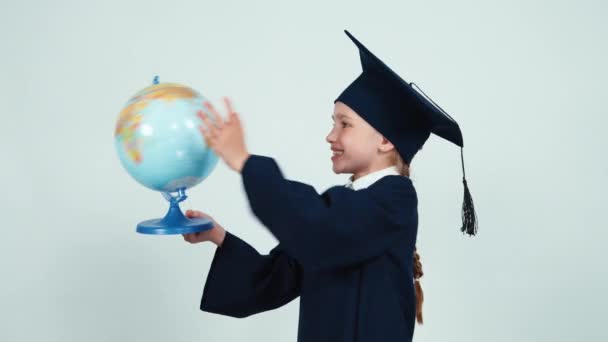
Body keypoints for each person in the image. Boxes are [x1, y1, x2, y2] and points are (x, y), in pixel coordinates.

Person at [182, 30, 478, 342]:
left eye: (345, 124)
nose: (330, 135)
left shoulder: (394, 199)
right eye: (333, 122)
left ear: (386, 140)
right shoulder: (344, 210)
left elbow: (316, 225)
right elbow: (278, 275)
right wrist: (220, 238)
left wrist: (244, 160)